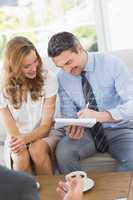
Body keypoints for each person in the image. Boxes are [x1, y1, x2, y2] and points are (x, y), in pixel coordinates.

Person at [48, 31, 133, 174]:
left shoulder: (112, 64)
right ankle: (80, 191)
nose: (67, 70)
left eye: (69, 62)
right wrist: (71, 128)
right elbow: (69, 113)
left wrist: (102, 116)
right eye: (61, 66)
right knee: (64, 153)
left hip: (119, 128)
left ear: (80, 48)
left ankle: (113, 193)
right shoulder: (62, 77)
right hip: (87, 132)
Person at [0, 36, 60, 175]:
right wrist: (20, 142)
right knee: (20, 157)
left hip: (45, 133)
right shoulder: (2, 85)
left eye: (35, 61)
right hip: (17, 136)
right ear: (13, 67)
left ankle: (49, 196)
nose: (34, 68)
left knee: (37, 149)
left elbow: (45, 126)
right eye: (27, 66)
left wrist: (25, 139)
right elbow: (12, 131)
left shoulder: (48, 78)